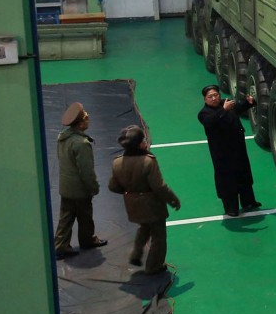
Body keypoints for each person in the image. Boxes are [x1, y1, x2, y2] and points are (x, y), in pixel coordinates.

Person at [108, 125, 181, 274]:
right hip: (152, 205)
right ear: (139, 144)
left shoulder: (117, 162)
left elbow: (113, 186)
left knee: (144, 227)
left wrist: (130, 193)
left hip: (132, 205)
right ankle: (154, 267)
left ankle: (136, 253)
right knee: (159, 236)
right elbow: (159, 187)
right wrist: (173, 200)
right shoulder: (148, 161)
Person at [197, 85, 262, 217]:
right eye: (210, 97)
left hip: (238, 149)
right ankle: (231, 208)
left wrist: (248, 103)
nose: (214, 98)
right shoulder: (204, 113)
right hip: (223, 154)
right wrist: (223, 110)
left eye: (216, 95)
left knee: (244, 175)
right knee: (227, 180)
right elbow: (211, 122)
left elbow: (237, 108)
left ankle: (248, 202)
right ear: (205, 99)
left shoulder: (225, 104)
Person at [54, 102, 107, 259]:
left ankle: (61, 245)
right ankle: (87, 240)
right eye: (86, 117)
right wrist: (94, 187)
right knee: (85, 216)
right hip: (79, 189)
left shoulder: (62, 138)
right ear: (80, 123)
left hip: (65, 186)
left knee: (66, 217)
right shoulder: (81, 144)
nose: (88, 119)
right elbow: (86, 171)